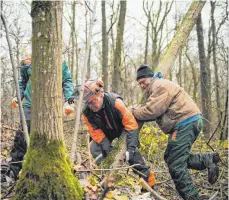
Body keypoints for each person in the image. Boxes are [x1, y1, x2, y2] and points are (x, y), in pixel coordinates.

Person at [132, 64, 220, 200]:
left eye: (143, 82)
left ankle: (193, 197)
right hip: (188, 122)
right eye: (139, 84)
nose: (142, 86)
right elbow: (157, 113)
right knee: (170, 157)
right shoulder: (158, 87)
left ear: (150, 77)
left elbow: (151, 111)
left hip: (185, 124)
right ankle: (206, 160)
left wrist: (133, 111)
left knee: (175, 164)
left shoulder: (159, 86)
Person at [80, 79, 157, 189]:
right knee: (94, 148)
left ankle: (149, 181)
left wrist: (130, 148)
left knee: (132, 153)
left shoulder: (115, 102)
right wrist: (108, 149)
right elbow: (95, 132)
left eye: (93, 102)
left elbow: (131, 124)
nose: (91, 106)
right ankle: (106, 176)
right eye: (88, 103)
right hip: (105, 132)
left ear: (101, 95)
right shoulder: (86, 112)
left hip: (122, 128)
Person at [10, 56, 74, 176]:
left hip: (50, 106)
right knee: (22, 137)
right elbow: (22, 81)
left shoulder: (59, 60)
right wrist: (17, 96)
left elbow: (67, 81)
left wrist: (69, 100)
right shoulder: (27, 61)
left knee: (48, 138)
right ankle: (14, 171)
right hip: (29, 104)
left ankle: (47, 172)